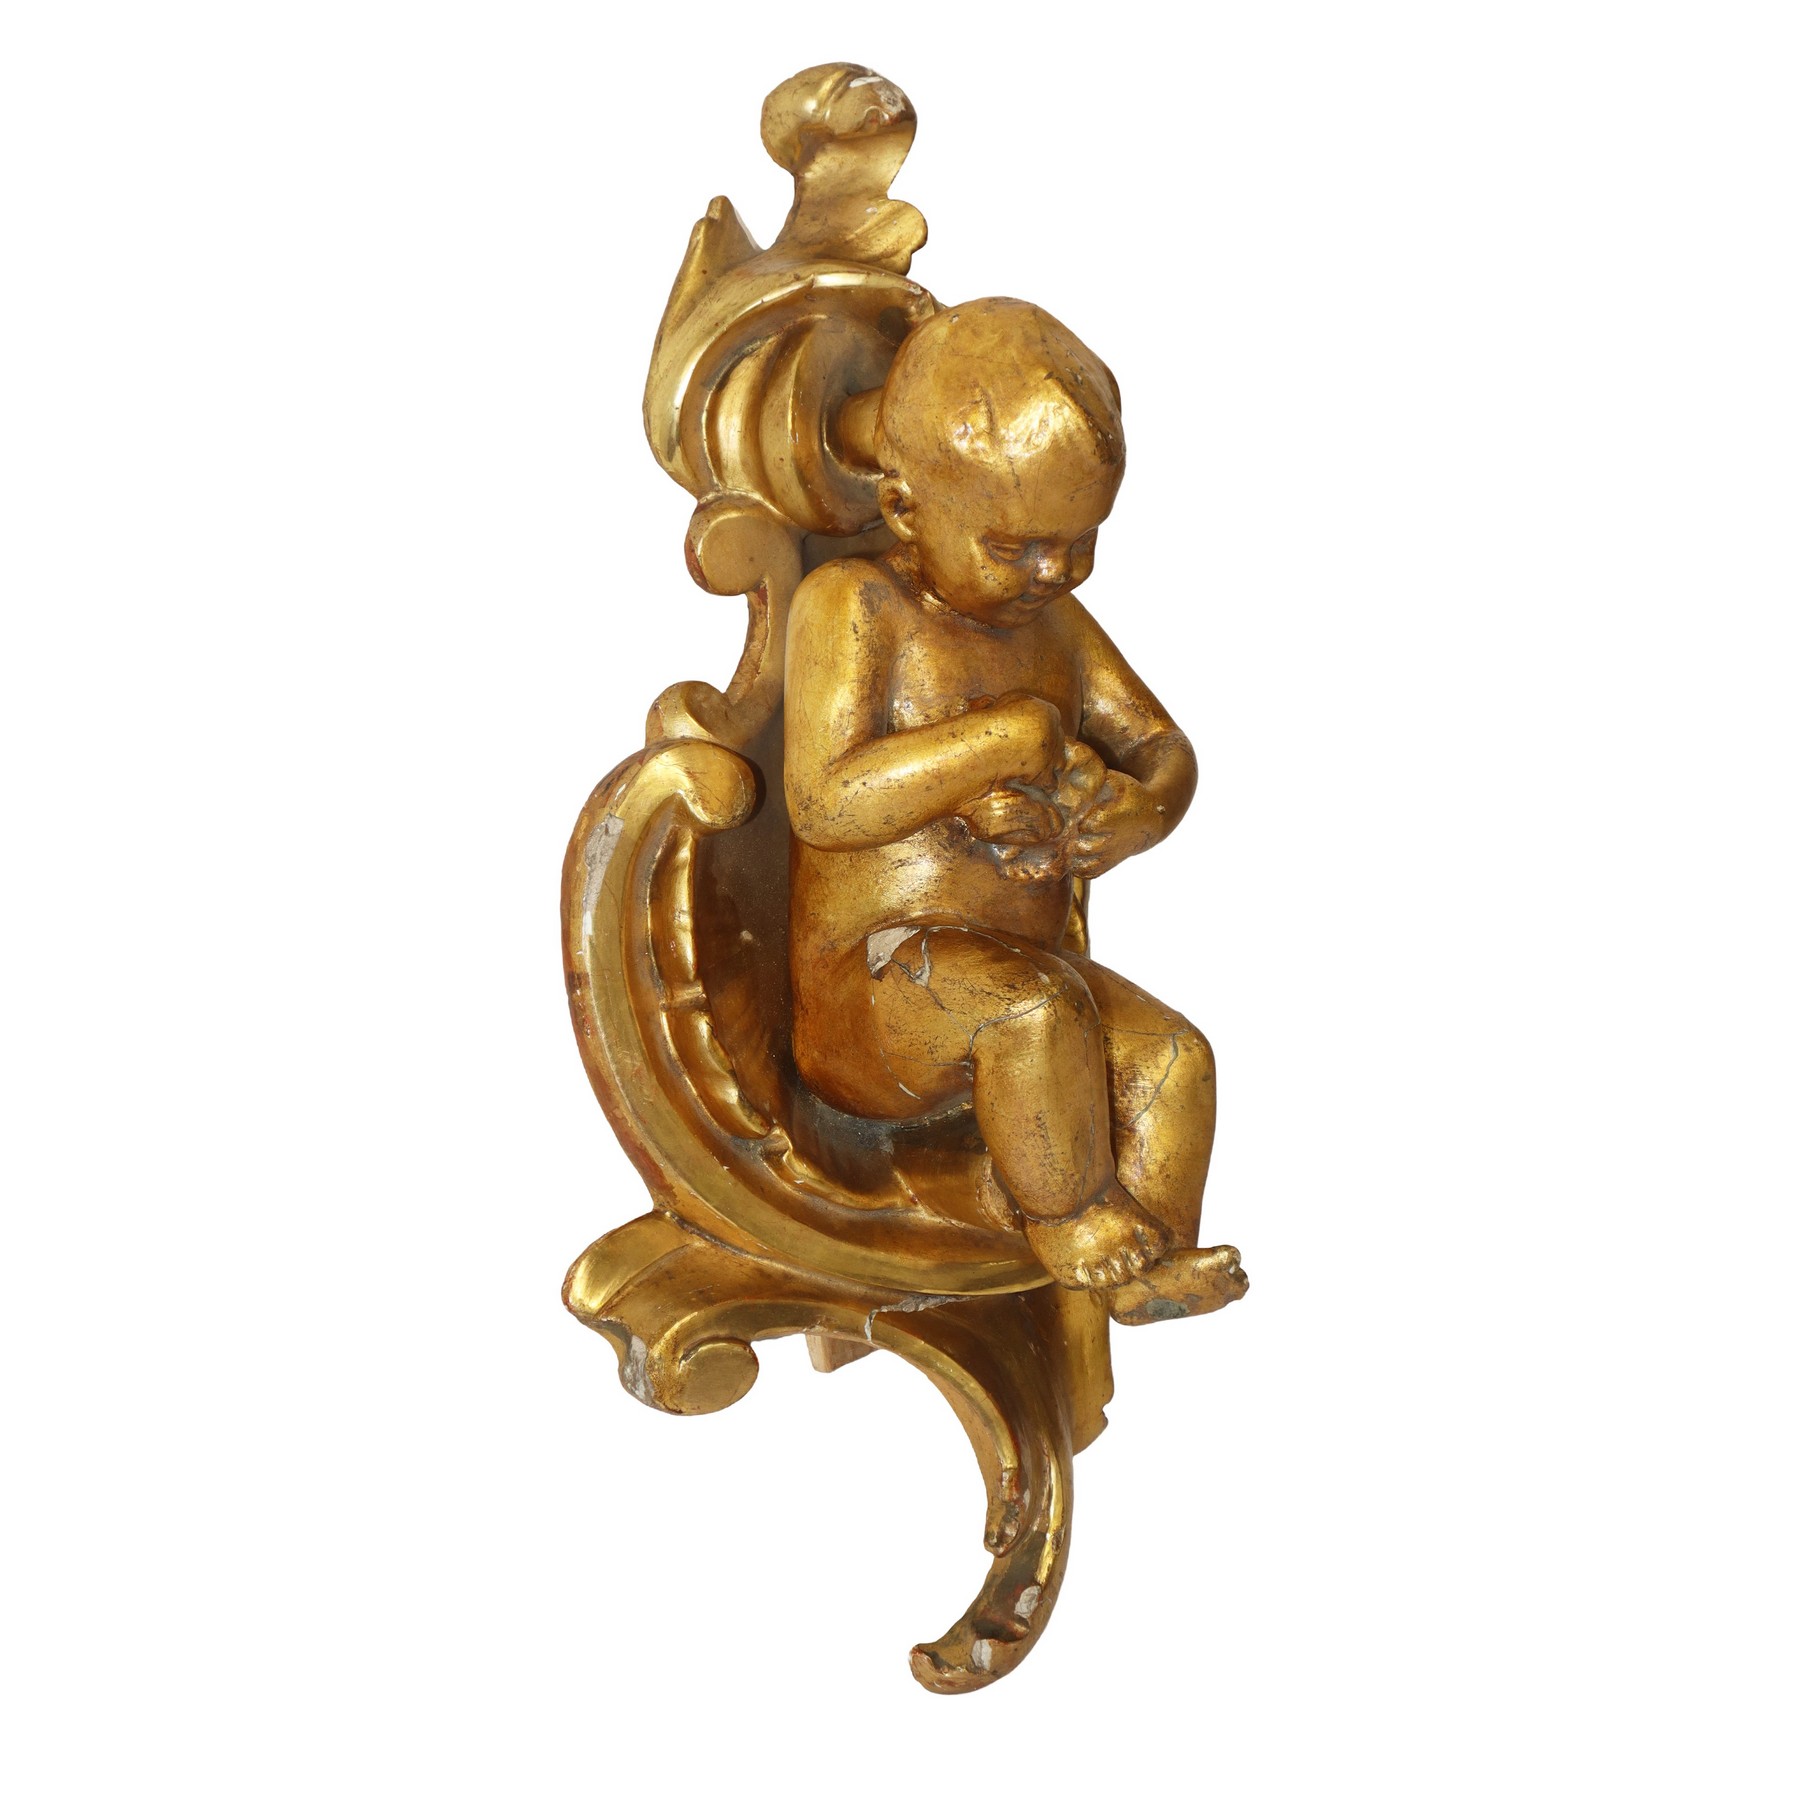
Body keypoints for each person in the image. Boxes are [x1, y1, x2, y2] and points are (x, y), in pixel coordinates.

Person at [785, 297, 1245, 1323]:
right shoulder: (857, 606)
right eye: (1014, 545)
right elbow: (822, 799)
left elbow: (1159, 745)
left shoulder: (1059, 625)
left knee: (1174, 1061)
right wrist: (1003, 739)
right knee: (1029, 1010)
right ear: (905, 508)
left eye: (1081, 542)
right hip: (875, 994)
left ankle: (1149, 1263)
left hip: (1031, 977)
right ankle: (1073, 1219)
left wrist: (1143, 809)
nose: (1053, 572)